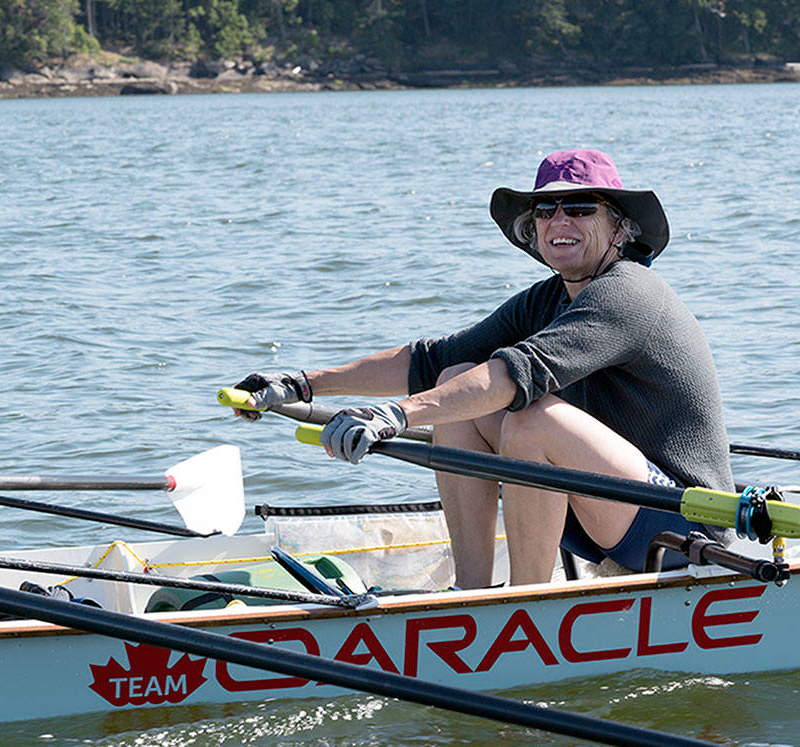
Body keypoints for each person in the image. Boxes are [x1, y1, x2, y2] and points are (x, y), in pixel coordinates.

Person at [233, 149, 733, 589]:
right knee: (454, 379)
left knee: (531, 419)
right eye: (545, 209)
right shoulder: (547, 299)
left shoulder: (629, 293)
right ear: (533, 228)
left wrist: (396, 416)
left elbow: (515, 374)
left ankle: (525, 600)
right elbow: (430, 361)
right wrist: (300, 384)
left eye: (581, 208)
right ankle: (472, 591)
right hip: (606, 508)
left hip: (683, 526)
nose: (560, 220)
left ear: (619, 228)